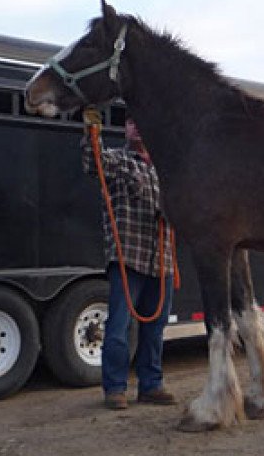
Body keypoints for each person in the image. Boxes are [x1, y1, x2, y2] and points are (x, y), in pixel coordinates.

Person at [81, 116, 176, 410]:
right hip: (128, 258)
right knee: (119, 325)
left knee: (156, 327)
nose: (135, 127)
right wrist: (90, 131)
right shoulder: (117, 160)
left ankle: (151, 385)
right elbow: (91, 160)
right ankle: (115, 388)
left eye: (140, 121)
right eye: (130, 122)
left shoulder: (167, 168)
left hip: (162, 260)